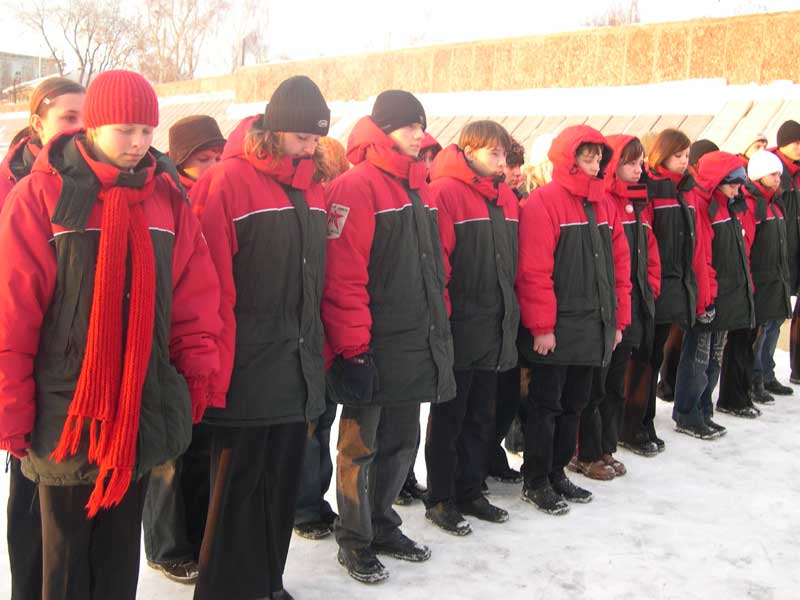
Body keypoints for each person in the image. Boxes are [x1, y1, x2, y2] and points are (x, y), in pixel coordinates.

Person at [0, 69, 221, 600]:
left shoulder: (165, 198)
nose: (139, 143)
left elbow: (193, 298)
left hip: (138, 407)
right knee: (66, 563)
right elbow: (13, 310)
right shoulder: (41, 195)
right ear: (94, 125)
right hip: (65, 415)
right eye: (125, 129)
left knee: (120, 559)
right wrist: (10, 405)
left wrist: (195, 374)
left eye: (147, 130)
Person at [191, 76, 330, 600]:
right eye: (301, 137)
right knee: (237, 494)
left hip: (296, 365)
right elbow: (207, 283)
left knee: (280, 488)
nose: (310, 147)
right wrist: (212, 365)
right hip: (246, 367)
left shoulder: (312, 186)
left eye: (316, 139)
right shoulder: (227, 181)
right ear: (274, 130)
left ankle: (268, 583)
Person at [322, 90, 455, 583]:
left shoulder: (418, 188)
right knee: (360, 447)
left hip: (414, 340)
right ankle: (355, 537)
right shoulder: (356, 186)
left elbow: (434, 268)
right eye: (408, 126)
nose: (419, 135)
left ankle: (381, 523)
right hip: (372, 343)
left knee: (402, 440)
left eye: (421, 125)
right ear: (383, 130)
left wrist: (437, 325)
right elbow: (342, 275)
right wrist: (354, 349)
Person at [516, 125, 631, 515]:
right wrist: (542, 327)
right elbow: (534, 270)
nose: (594, 164)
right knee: (546, 406)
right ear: (569, 159)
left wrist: (617, 321)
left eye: (599, 158)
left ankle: (557, 471)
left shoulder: (605, 205)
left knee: (575, 404)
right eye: (587, 157)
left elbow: (619, 269)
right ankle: (536, 478)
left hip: (592, 327)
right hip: (558, 328)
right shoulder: (544, 202)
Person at [0, 75, 84, 600]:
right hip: (19, 347)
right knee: (28, 496)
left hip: (67, 369)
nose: (79, 129)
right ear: (38, 123)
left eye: (87, 119)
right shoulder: (15, 185)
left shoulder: (89, 183)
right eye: (68, 118)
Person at [141, 113, 227, 584]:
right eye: (203, 159)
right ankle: (165, 546)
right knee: (167, 453)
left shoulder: (219, 196)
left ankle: (196, 538)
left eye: (218, 157)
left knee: (199, 451)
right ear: (181, 161)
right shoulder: (170, 199)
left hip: (206, 337)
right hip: (167, 340)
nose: (213, 166)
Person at [424, 120, 519, 535]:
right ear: (469, 152)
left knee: (482, 414)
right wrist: (443, 321)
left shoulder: (506, 198)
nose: (501, 162)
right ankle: (441, 496)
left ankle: (470, 487)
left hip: (495, 325)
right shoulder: (446, 192)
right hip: (460, 323)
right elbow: (438, 264)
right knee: (450, 416)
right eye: (492, 153)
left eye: (503, 154)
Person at [573, 135, 660, 479]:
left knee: (614, 386)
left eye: (640, 163)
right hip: (605, 310)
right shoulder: (602, 201)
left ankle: (605, 447)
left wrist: (649, 288)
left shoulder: (637, 204)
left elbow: (648, 252)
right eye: (631, 163)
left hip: (631, 306)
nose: (639, 169)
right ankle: (585, 450)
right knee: (594, 386)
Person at [622, 128, 711, 455]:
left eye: (687, 155)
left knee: (655, 355)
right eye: (678, 155)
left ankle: (644, 421)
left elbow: (696, 246)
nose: (684, 161)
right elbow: (647, 242)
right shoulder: (651, 189)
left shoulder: (686, 191)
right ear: (662, 155)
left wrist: (697, 290)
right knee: (642, 358)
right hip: (655, 285)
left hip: (676, 285)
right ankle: (632, 424)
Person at [293, 136, 350, 541]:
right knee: (312, 426)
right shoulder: (313, 207)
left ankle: (312, 502)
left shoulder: (326, 207)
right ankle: (305, 506)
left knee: (321, 422)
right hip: (313, 336)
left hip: (326, 334)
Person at [674, 152, 749, 439]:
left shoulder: (728, 207)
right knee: (698, 357)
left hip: (725, 295)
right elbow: (701, 256)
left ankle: (705, 409)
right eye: (732, 183)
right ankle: (687, 412)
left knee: (715, 357)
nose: (737, 189)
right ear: (718, 180)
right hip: (707, 295)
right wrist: (704, 298)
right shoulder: (703, 206)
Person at [395, 130, 442, 507]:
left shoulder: (424, 192)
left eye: (431, 158)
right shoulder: (368, 186)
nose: (427, 164)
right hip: (388, 325)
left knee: (406, 419)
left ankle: (404, 478)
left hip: (418, 320)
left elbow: (436, 259)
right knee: (378, 432)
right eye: (422, 156)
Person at [733, 150, 793, 414]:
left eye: (779, 174)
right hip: (760, 278)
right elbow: (747, 245)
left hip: (776, 276)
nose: (778, 179)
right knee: (760, 331)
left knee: (773, 326)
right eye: (772, 174)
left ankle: (767, 374)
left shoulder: (775, 203)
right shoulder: (753, 204)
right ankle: (755, 379)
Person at [489, 137, 527, 484]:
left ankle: (493, 451)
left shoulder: (519, 201)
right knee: (487, 397)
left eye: (518, 165)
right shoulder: (495, 202)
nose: (516, 172)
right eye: (510, 164)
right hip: (490, 312)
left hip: (514, 310)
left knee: (507, 394)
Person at [771, 121, 800, 384]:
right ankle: (760, 374)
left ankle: (794, 371)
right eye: (795, 143)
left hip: (795, 249)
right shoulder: (774, 171)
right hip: (780, 252)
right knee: (772, 316)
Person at [168, 115, 226, 194]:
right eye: (204, 159)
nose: (214, 165)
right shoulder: (167, 194)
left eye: (218, 159)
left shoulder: (230, 186)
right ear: (181, 164)